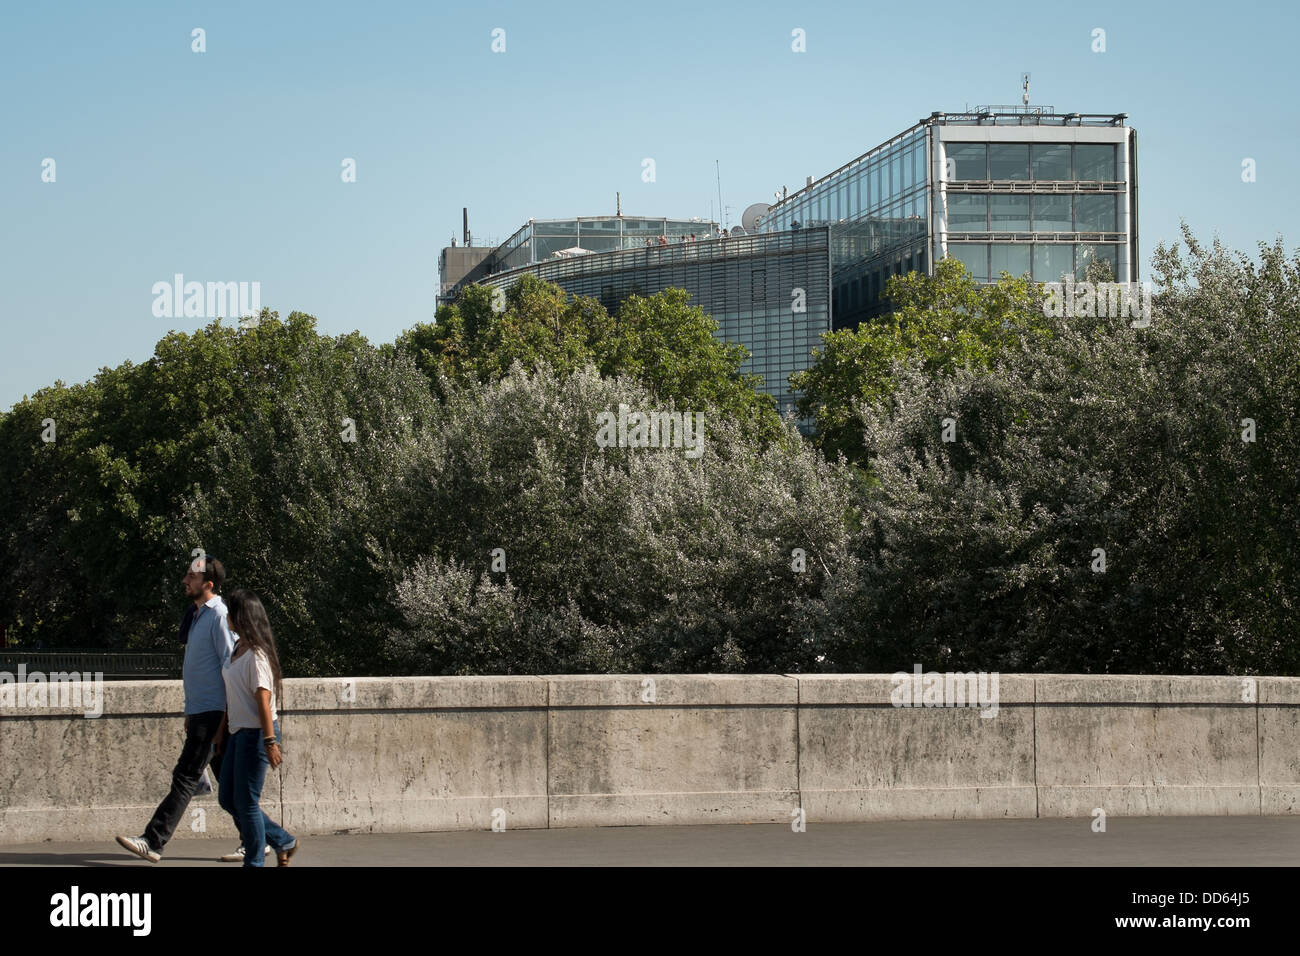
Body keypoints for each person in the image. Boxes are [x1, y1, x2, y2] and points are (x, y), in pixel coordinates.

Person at [116, 555, 268, 862]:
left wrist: (226, 717)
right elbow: (199, 669)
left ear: (208, 584)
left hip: (215, 712)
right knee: (230, 782)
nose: (185, 581)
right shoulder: (198, 615)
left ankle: (152, 840)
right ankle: (260, 840)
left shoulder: (218, 615)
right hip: (202, 711)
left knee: (186, 776)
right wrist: (190, 710)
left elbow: (231, 664)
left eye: (191, 577)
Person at [216, 589, 297, 867]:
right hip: (238, 734)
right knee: (227, 798)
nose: (227, 615)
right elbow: (232, 693)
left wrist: (270, 741)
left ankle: (254, 862)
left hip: (257, 735)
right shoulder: (238, 649)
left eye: (231, 611)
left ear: (242, 615)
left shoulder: (257, 655)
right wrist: (222, 730)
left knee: (247, 802)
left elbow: (263, 699)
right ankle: (282, 839)